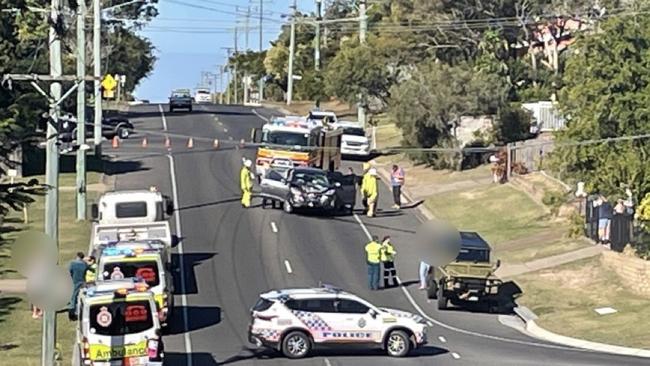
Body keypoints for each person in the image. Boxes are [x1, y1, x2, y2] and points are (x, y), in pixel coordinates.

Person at [68, 252, 88, 319]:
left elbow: (69, 272)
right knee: (81, 297)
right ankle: (80, 312)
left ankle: (71, 314)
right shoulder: (84, 264)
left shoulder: (73, 263)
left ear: (77, 256)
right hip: (82, 282)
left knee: (73, 298)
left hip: (74, 282)